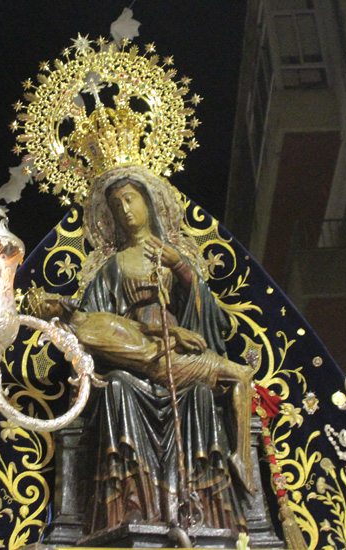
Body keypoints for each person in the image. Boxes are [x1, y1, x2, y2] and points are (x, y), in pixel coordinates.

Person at [42, 165, 254, 535]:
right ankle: (129, 506)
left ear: (148, 202)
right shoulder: (112, 267)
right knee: (118, 386)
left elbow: (210, 317)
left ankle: (202, 509)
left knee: (202, 394)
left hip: (179, 353)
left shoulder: (174, 255)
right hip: (134, 356)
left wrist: (181, 268)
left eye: (130, 199)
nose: (125, 210)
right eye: (116, 205)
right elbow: (91, 325)